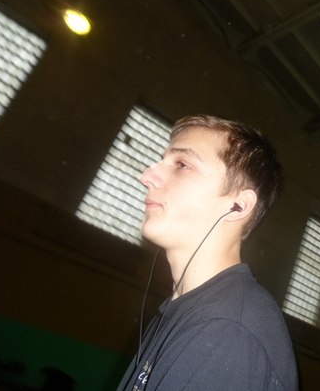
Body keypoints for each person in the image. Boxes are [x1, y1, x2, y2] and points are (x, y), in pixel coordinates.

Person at [117, 115, 298, 390]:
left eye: (182, 165)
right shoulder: (195, 313)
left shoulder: (227, 328)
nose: (147, 176)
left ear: (238, 205)